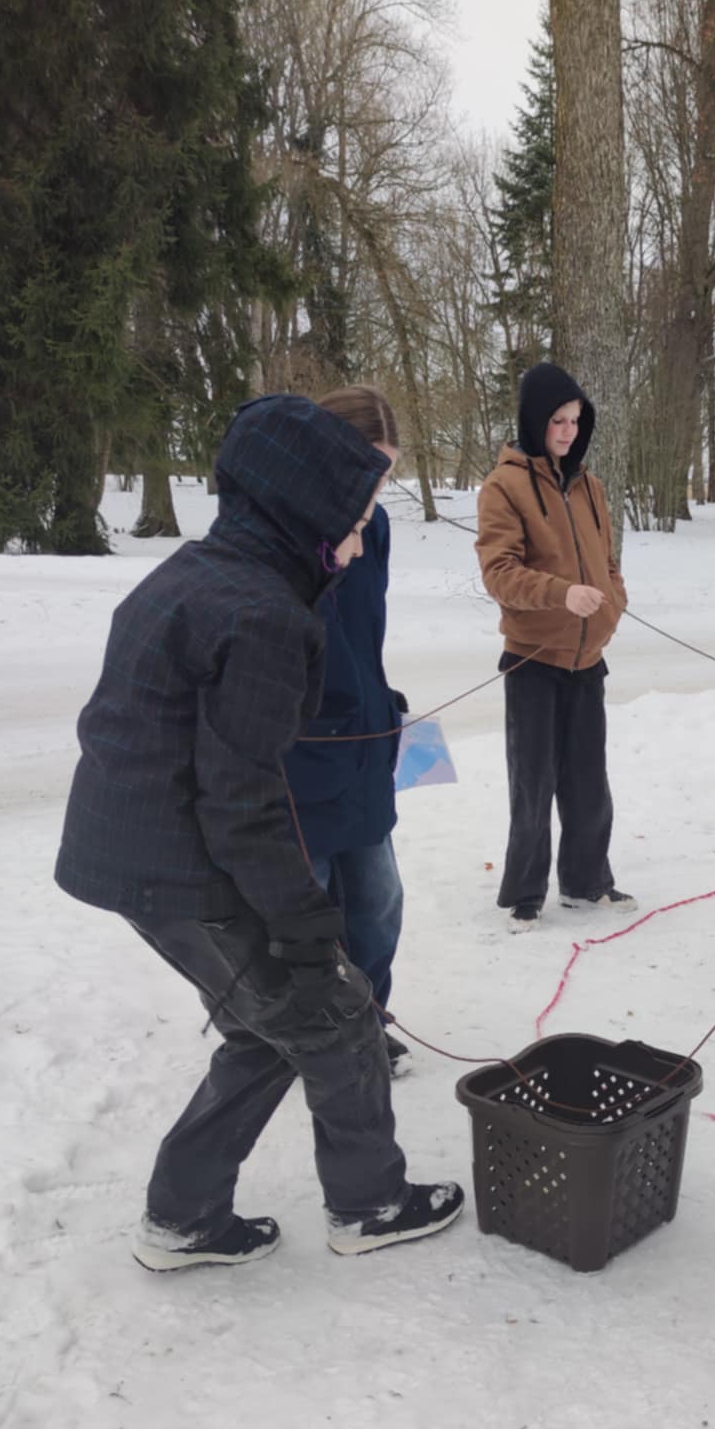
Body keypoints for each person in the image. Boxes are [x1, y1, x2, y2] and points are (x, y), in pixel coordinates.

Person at [54, 392, 464, 1271]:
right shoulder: (265, 616)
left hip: (134, 853)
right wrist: (306, 925)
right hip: (174, 867)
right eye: (353, 523)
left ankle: (184, 1215)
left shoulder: (203, 571)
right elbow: (242, 801)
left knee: (271, 1028)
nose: (358, 545)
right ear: (308, 512)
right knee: (339, 1013)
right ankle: (369, 1204)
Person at [475, 361, 634, 931]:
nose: (567, 431)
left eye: (574, 420)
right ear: (532, 421)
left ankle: (588, 882)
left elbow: (609, 563)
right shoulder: (503, 486)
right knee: (533, 781)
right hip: (532, 660)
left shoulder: (591, 487)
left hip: (588, 660)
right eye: (557, 420)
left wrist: (610, 603)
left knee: (589, 780)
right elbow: (499, 572)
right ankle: (524, 892)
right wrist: (562, 596)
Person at [281, 384, 411, 1078]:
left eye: (385, 472)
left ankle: (366, 1019)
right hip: (301, 754)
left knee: (379, 902)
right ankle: (309, 1037)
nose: (374, 489)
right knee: (310, 909)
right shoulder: (284, 526)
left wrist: (378, 704)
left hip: (363, 742)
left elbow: (368, 631)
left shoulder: (377, 527)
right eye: (366, 470)